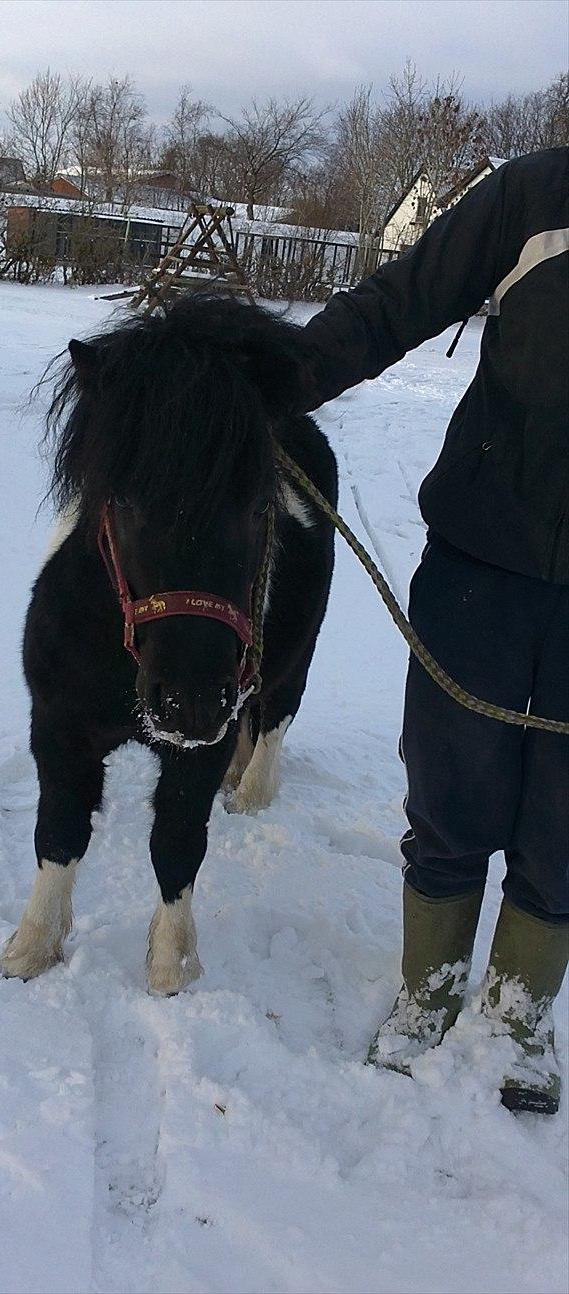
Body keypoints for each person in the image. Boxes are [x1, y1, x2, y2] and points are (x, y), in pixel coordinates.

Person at [297, 147, 568, 1114]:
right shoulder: (540, 194)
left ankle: (518, 1016)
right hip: (482, 555)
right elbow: (398, 302)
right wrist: (275, 380)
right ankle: (431, 995)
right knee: (451, 794)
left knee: (565, 825)